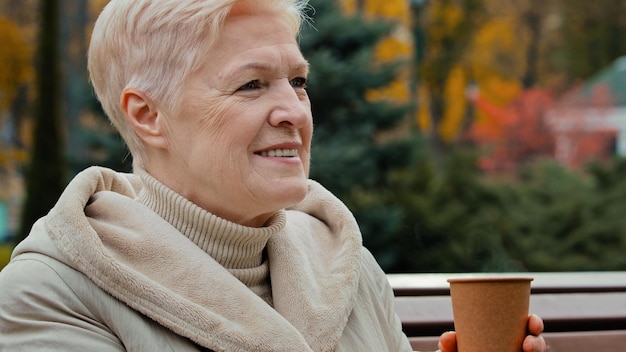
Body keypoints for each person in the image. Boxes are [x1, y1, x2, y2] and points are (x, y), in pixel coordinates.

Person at [0, 0, 546, 351]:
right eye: (252, 85)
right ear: (149, 116)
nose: (295, 111)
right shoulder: (50, 294)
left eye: (298, 82)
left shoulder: (347, 265)